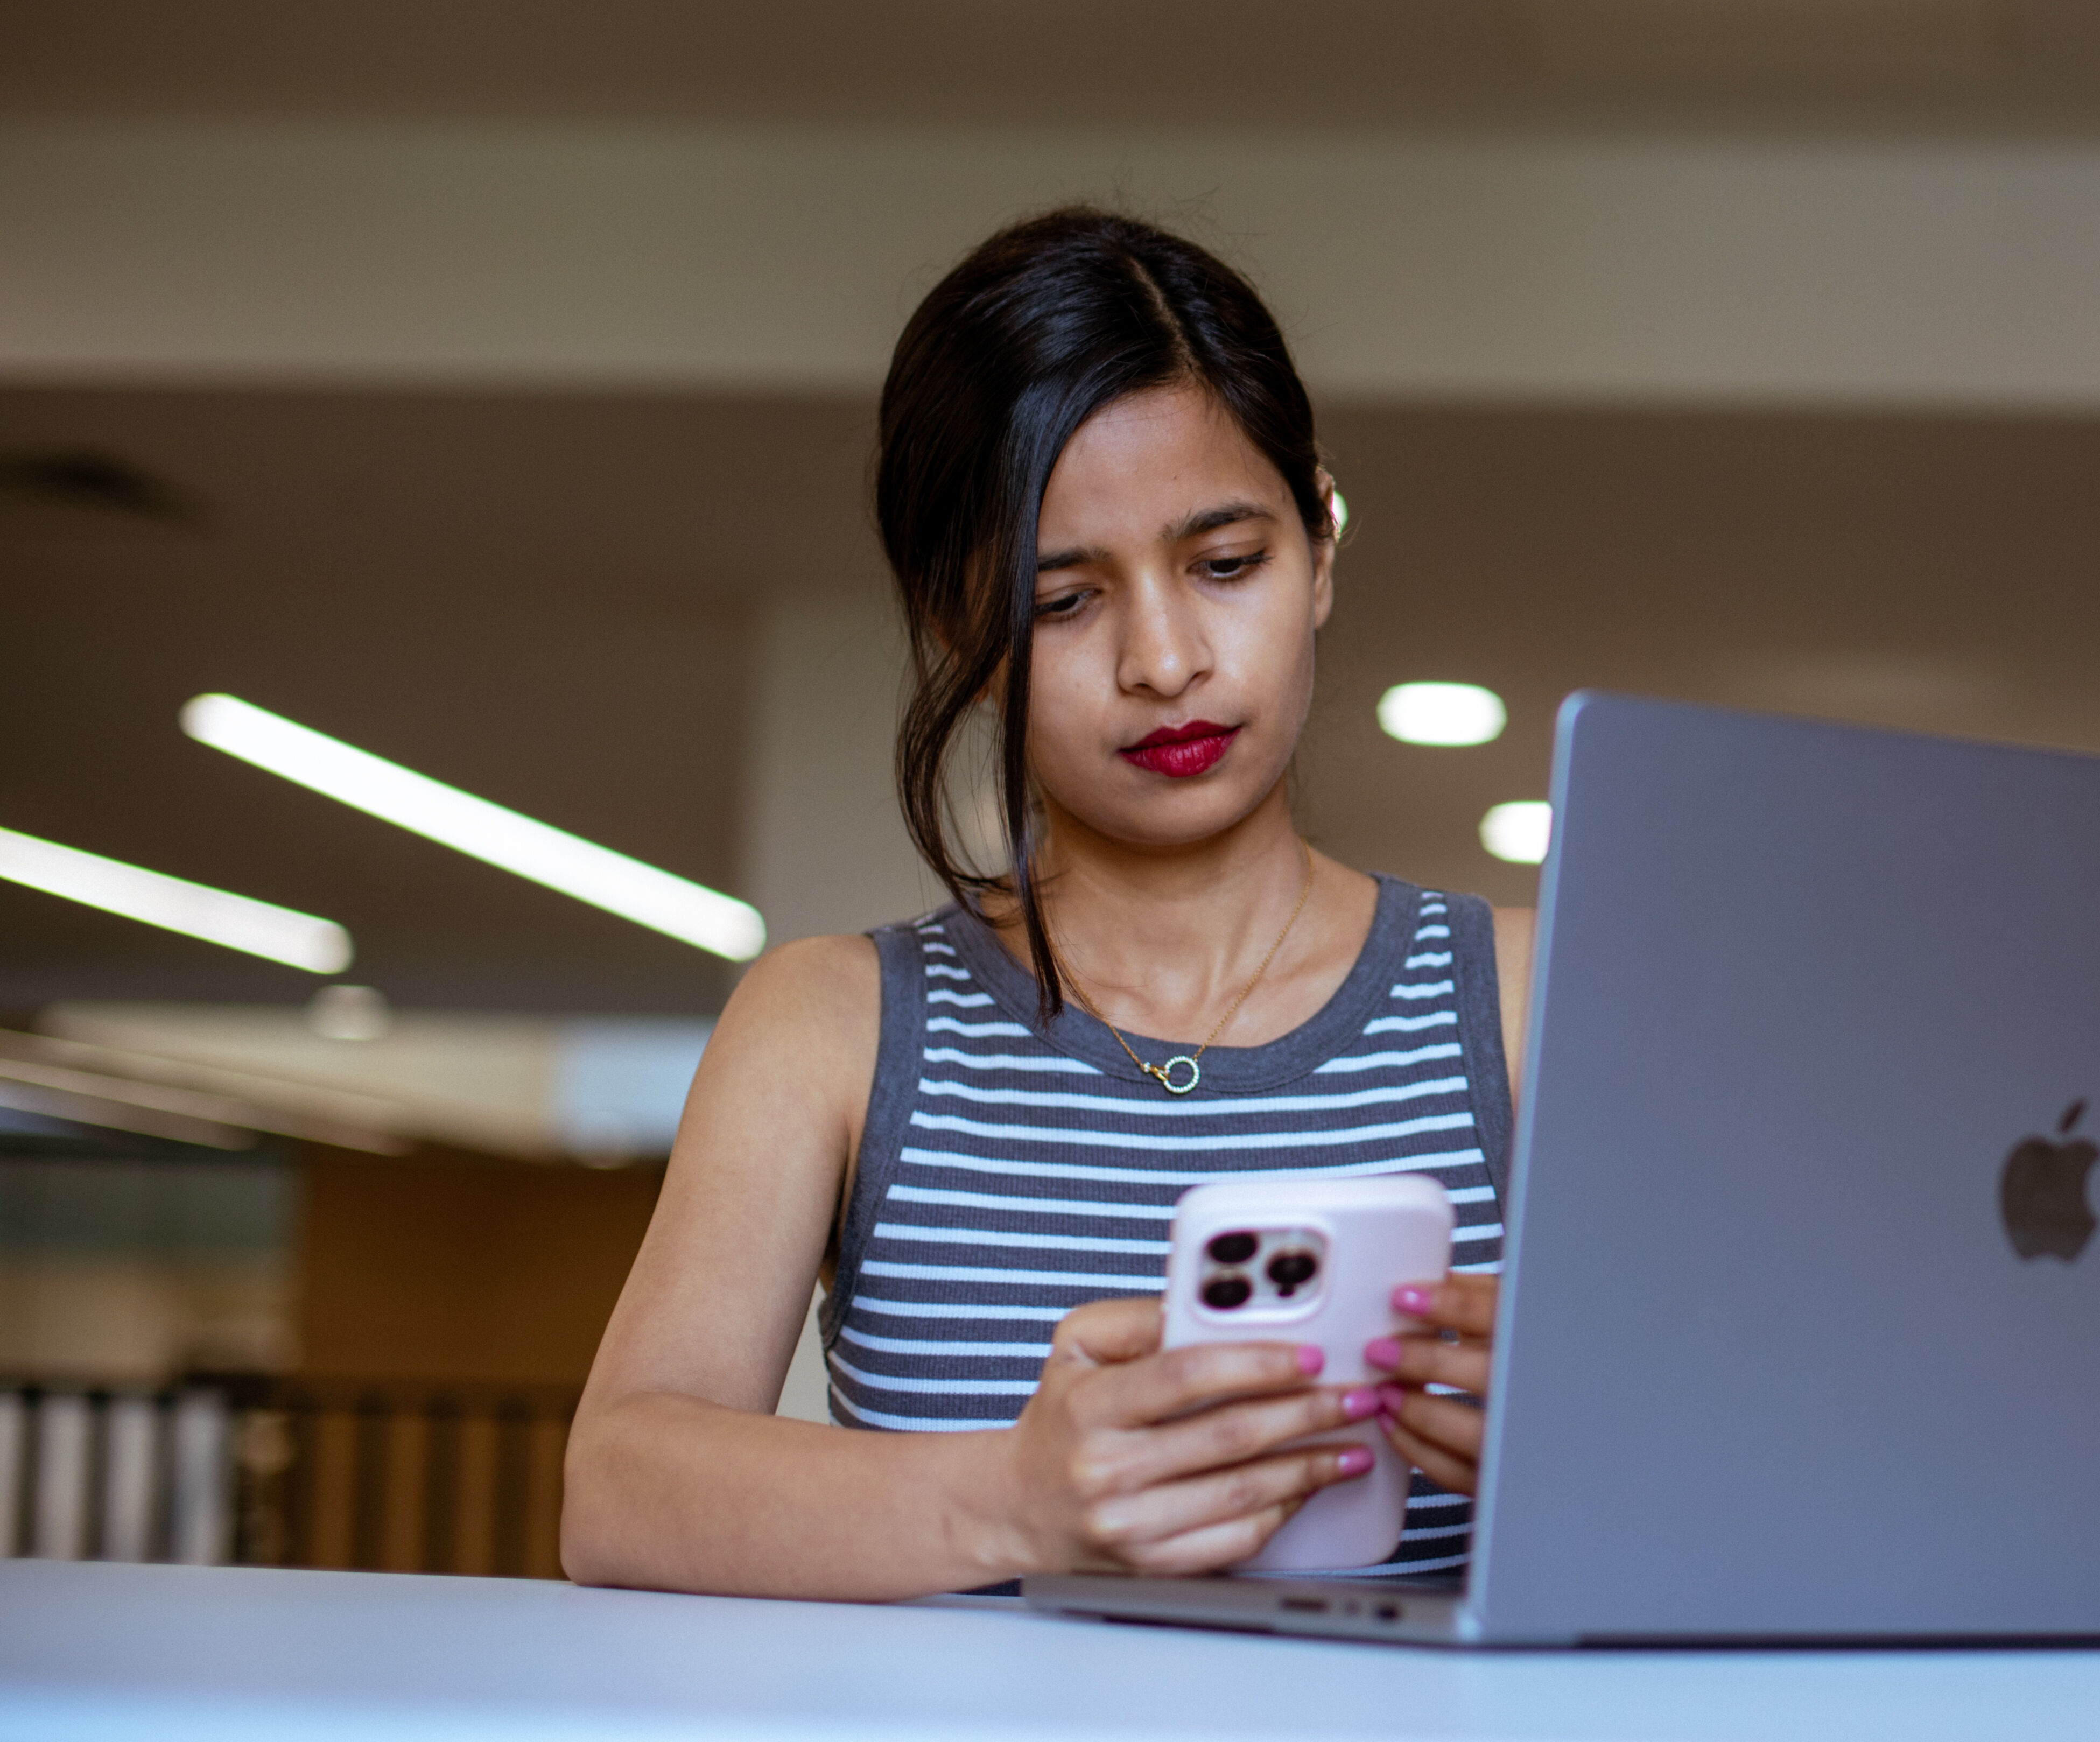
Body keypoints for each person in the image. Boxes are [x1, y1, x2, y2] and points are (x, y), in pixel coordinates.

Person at [563, 207, 1529, 1598]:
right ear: (963, 627)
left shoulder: (1521, 1000)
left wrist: (1602, 1444)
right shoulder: (832, 1027)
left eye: (1226, 564)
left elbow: (1791, 1462)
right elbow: (617, 1494)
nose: (1165, 659)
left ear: (1321, 541)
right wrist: (1014, 1504)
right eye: (1065, 600)